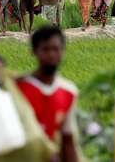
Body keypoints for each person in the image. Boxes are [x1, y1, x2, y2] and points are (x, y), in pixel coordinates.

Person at [16, 26, 78, 162]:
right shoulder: (18, 88)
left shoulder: (68, 92)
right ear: (34, 51)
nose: (51, 55)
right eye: (45, 49)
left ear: (62, 51)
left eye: (55, 49)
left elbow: (67, 140)